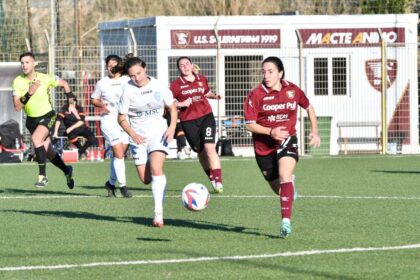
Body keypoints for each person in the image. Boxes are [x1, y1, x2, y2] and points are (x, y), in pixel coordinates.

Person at [243, 56, 320, 238]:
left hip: (287, 140)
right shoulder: (256, 95)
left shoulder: (292, 90)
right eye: (264, 72)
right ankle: (288, 186)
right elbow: (249, 124)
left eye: (270, 71)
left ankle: (286, 222)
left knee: (285, 175)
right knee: (279, 189)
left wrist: (315, 131)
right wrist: (271, 132)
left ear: (280, 73)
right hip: (264, 147)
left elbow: (309, 107)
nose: (266, 75)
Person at [118, 56, 177, 227]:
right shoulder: (128, 90)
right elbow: (121, 117)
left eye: (139, 73)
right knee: (145, 179)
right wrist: (132, 134)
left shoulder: (159, 85)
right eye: (132, 76)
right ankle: (159, 185)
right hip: (138, 137)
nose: (137, 78)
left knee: (156, 168)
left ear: (145, 69)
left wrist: (172, 127)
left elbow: (172, 107)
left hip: (158, 133)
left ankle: (158, 214)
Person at [12, 52, 75, 189]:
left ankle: (42, 176)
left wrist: (70, 99)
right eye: (22, 63)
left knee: (36, 140)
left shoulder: (45, 78)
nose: (24, 65)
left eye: (27, 62)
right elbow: (17, 107)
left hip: (48, 116)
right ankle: (67, 171)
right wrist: (29, 93)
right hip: (31, 121)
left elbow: (64, 83)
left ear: (34, 64)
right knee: (49, 152)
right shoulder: (18, 81)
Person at [170, 56, 223, 193]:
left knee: (210, 147)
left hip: (206, 116)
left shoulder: (201, 78)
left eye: (187, 64)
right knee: (200, 151)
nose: (185, 67)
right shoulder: (175, 85)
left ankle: (218, 182)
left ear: (192, 65)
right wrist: (181, 104)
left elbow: (206, 92)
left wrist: (214, 96)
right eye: (182, 65)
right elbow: (169, 103)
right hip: (188, 121)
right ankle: (211, 177)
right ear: (178, 69)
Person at [91, 54, 132, 198]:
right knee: (119, 154)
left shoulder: (128, 80)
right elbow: (94, 99)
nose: (111, 68)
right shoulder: (102, 83)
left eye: (113, 65)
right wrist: (102, 104)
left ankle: (110, 184)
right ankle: (123, 187)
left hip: (125, 122)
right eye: (108, 66)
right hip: (109, 121)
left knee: (119, 155)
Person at [53, 94, 96, 160]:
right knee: (71, 136)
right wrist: (55, 132)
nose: (71, 102)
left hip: (80, 127)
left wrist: (71, 128)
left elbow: (81, 121)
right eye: (69, 100)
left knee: (92, 138)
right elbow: (58, 120)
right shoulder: (64, 109)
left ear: (75, 100)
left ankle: (81, 151)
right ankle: (82, 151)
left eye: (72, 100)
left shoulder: (79, 108)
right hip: (71, 131)